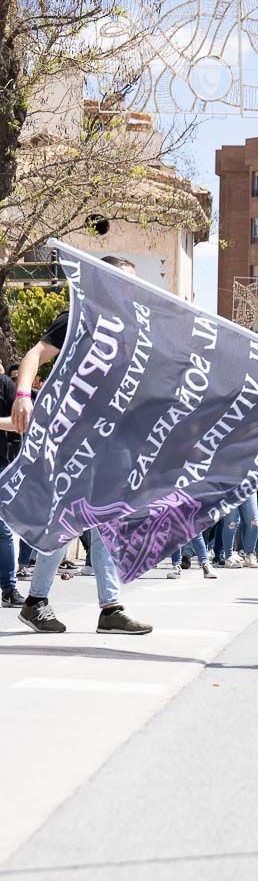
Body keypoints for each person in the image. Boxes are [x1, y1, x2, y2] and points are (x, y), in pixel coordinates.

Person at [10, 255, 152, 636]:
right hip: (75, 436)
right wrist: (23, 394)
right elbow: (35, 354)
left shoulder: (134, 329)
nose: (131, 289)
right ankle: (41, 600)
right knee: (72, 517)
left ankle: (107, 606)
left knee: (104, 517)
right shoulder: (81, 317)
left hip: (113, 439)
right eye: (124, 281)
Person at [0, 368, 24, 608]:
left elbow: (20, 423)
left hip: (1, 465)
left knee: (3, 531)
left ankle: (8, 588)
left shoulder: (5, 385)